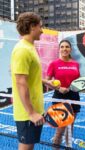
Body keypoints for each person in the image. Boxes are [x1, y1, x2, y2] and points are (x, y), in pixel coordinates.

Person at [11, 12, 45, 150]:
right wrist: (31, 112)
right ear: (32, 27)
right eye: (40, 26)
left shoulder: (30, 47)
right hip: (27, 114)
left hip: (34, 109)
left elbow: (29, 77)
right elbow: (21, 82)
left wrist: (46, 82)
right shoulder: (22, 50)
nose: (42, 30)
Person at [43, 39, 80, 149]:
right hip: (59, 97)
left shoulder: (76, 64)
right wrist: (59, 88)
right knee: (60, 129)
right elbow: (47, 82)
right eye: (62, 47)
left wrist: (74, 87)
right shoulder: (53, 64)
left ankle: (69, 147)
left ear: (70, 49)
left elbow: (78, 81)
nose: (65, 49)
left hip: (74, 97)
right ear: (59, 49)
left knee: (70, 128)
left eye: (67, 47)